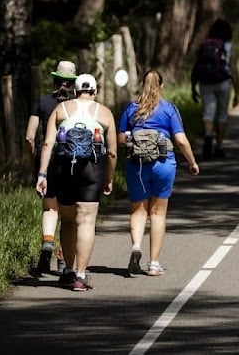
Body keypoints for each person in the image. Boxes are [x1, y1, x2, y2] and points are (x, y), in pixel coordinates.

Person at [36, 74, 117, 292]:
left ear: (75, 90)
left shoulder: (61, 110)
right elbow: (111, 153)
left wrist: (42, 175)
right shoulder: (105, 113)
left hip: (63, 169)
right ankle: (81, 276)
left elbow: (47, 143)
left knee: (68, 220)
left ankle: (68, 272)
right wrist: (108, 178)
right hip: (91, 169)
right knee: (86, 222)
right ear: (95, 91)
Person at [118, 70, 200, 277]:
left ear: (141, 85)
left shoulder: (131, 108)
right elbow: (180, 140)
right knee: (157, 213)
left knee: (138, 211)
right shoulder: (168, 109)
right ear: (161, 86)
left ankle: (136, 246)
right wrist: (192, 162)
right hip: (164, 163)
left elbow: (120, 140)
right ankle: (154, 264)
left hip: (137, 165)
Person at [24, 60, 77, 276]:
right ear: (73, 82)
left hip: (46, 158)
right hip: (71, 161)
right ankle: (63, 259)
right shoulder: (77, 104)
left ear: (54, 79)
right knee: (68, 213)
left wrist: (34, 163)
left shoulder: (42, 102)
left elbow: (29, 136)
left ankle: (47, 243)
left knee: (49, 207)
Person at [190, 18, 239, 159]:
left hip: (205, 82)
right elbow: (234, 70)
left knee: (208, 112)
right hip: (224, 83)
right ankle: (219, 146)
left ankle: (207, 137)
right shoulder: (229, 47)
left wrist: (193, 86)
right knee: (222, 113)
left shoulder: (204, 45)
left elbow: (196, 67)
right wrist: (237, 92)